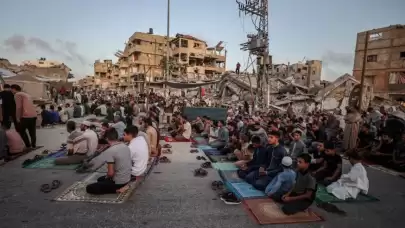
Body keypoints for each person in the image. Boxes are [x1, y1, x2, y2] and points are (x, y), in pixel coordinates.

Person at [86, 128, 132, 195]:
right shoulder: (125, 146)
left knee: (89, 188)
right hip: (127, 178)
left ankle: (117, 190)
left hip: (119, 182)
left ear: (107, 139)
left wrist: (108, 177)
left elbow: (110, 173)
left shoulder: (110, 151)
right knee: (100, 179)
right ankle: (122, 186)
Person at [11, 84, 37, 149]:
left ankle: (28, 145)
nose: (11, 91)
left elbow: (19, 107)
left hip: (25, 116)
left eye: (12, 90)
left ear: (14, 89)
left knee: (21, 130)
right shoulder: (27, 94)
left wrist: (17, 117)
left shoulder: (17, 95)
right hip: (33, 115)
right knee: (32, 131)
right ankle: (33, 145)